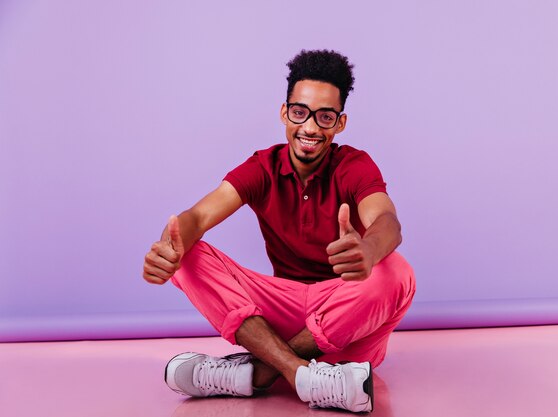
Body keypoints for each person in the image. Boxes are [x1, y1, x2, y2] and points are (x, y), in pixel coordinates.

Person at [142, 49, 415, 413]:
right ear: (285, 112)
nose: (311, 128)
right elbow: (198, 216)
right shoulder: (262, 166)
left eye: (325, 117)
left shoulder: (355, 165)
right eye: (301, 113)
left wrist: (368, 248)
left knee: (397, 272)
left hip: (348, 322)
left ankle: (255, 373)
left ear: (340, 123)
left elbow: (387, 222)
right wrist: (168, 247)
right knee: (188, 254)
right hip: (282, 313)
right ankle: (303, 375)